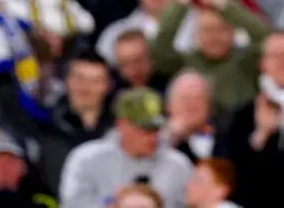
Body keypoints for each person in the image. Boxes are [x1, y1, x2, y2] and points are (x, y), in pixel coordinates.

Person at [57, 88, 193, 208]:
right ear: (122, 125)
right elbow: (71, 205)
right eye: (145, 129)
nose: (153, 137)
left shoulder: (178, 165)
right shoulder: (86, 159)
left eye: (156, 129)